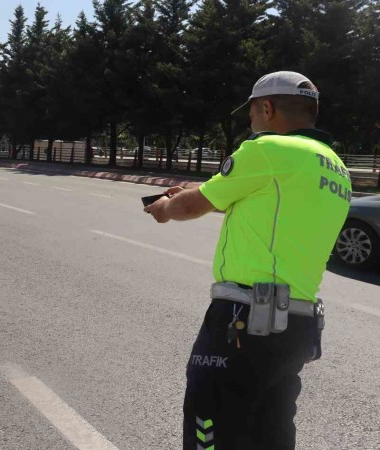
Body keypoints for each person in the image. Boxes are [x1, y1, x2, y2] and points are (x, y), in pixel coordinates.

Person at [144, 71, 350, 449]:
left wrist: (165, 207)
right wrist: (197, 190)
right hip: (298, 326)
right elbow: (265, 207)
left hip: (246, 321)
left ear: (267, 108)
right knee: (269, 433)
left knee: (211, 423)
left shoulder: (266, 149)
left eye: (252, 114)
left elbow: (192, 206)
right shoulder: (334, 166)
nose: (251, 123)